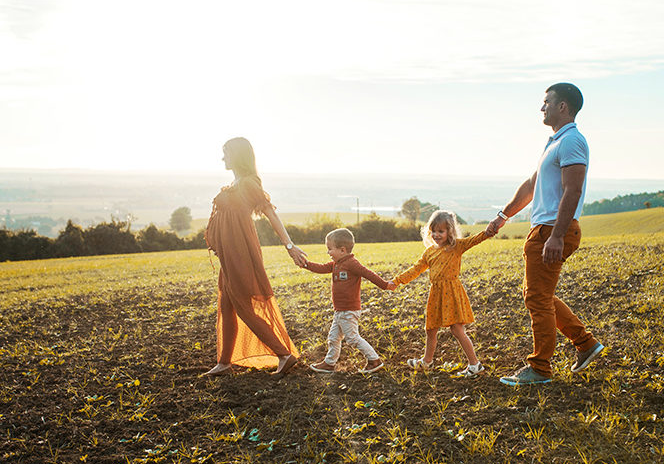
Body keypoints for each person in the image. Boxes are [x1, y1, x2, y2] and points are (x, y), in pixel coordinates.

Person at [486, 83, 604, 386]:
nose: (542, 108)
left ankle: (539, 368)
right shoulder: (554, 143)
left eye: (547, 102)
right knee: (539, 295)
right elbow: (530, 185)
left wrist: (557, 236)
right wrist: (503, 216)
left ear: (562, 106)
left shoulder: (572, 141)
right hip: (543, 228)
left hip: (553, 229)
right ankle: (586, 343)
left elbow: (573, 190)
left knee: (538, 298)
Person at [202, 137, 307, 378]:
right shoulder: (236, 182)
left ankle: (283, 354)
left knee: (242, 305)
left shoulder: (248, 184)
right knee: (227, 305)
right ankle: (224, 362)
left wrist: (290, 246)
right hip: (229, 255)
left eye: (226, 153)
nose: (222, 158)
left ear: (237, 155)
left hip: (241, 253)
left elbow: (270, 214)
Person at [391, 210, 489, 378]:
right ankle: (426, 362)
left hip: (451, 292)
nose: (436, 235)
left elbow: (474, 240)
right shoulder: (429, 252)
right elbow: (416, 269)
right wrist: (397, 281)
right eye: (434, 231)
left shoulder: (456, 247)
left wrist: (489, 231)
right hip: (436, 294)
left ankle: (475, 365)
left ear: (449, 231)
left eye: (441, 231)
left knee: (457, 330)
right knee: (431, 329)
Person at [302, 228, 394, 374]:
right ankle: (329, 363)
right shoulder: (335, 264)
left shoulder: (352, 263)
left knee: (352, 338)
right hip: (339, 310)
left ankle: (374, 360)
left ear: (342, 250)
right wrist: (305, 264)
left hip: (349, 309)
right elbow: (320, 268)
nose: (328, 253)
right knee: (333, 338)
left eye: (330, 249)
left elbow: (368, 273)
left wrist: (385, 285)